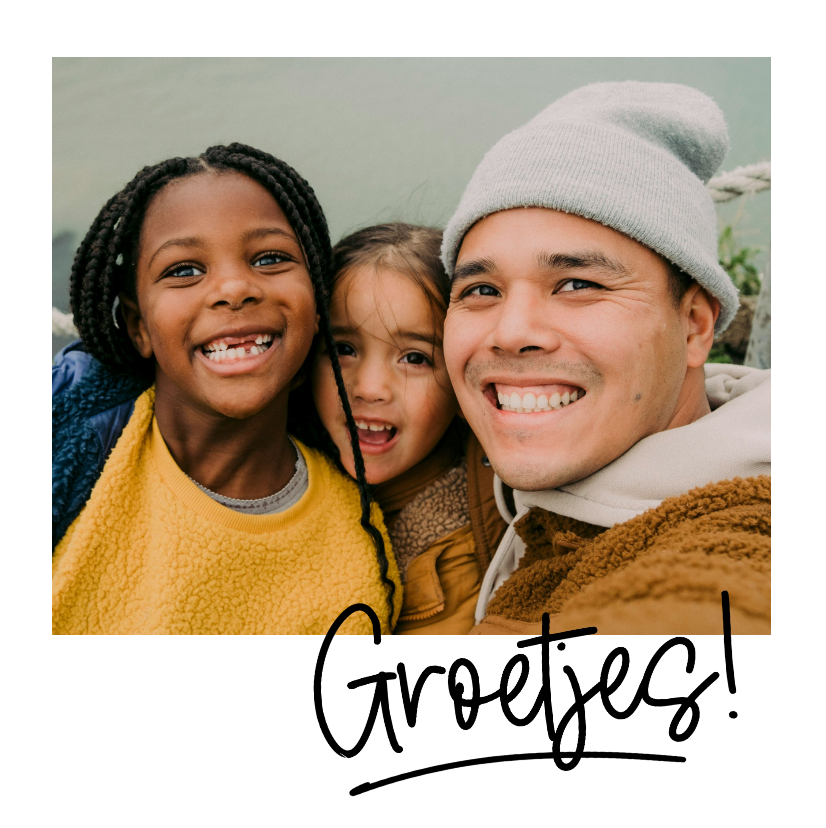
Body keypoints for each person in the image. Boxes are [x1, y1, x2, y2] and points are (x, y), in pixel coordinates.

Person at [440, 82, 771, 635]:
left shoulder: (744, 533)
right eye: (481, 290)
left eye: (576, 283)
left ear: (694, 326)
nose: (511, 331)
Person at [52, 144, 400, 635]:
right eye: (184, 270)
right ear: (138, 326)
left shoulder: (358, 560)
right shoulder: (68, 434)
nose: (235, 287)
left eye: (271, 258)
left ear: (317, 302)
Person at [311, 224, 507, 633]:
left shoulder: (466, 561)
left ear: (461, 386)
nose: (369, 388)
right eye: (343, 349)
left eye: (414, 358)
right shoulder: (290, 489)